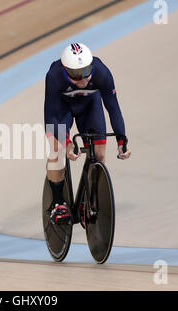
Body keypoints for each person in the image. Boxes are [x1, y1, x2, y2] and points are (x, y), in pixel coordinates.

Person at [44, 42, 131, 224]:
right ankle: (58, 203)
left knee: (99, 155)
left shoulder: (102, 72)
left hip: (90, 107)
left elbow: (113, 108)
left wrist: (122, 139)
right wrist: (67, 142)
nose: (83, 78)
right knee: (57, 151)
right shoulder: (54, 75)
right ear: (66, 69)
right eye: (77, 74)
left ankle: (87, 201)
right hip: (62, 109)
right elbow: (51, 117)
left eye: (86, 71)